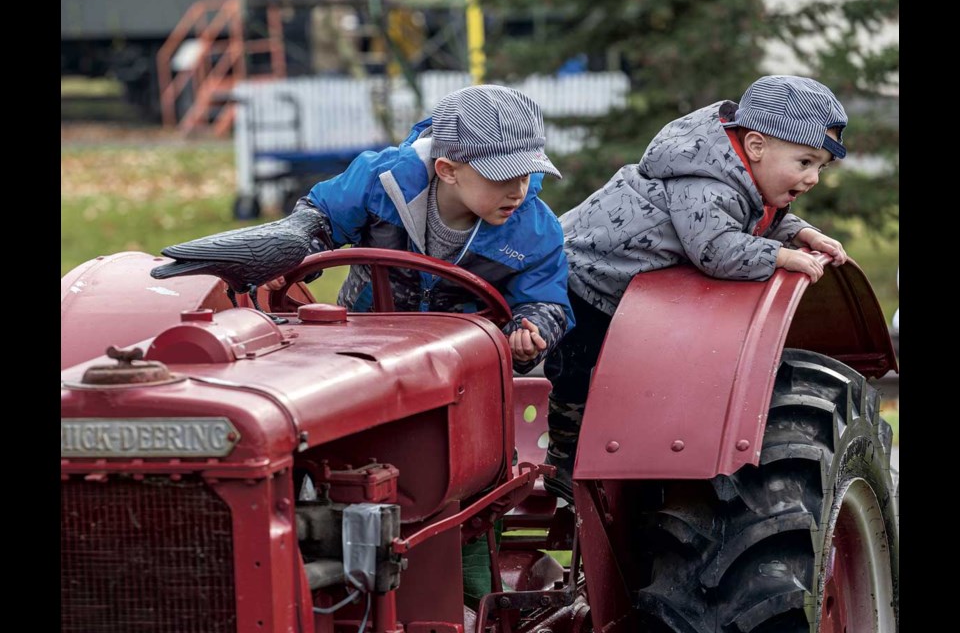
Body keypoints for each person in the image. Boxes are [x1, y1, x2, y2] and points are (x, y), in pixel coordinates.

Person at [543, 75, 850, 503]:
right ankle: (563, 458)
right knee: (576, 372)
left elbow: (755, 215)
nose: (813, 177)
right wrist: (779, 257)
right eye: (805, 162)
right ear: (757, 146)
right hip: (584, 277)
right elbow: (716, 248)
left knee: (626, 377)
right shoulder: (704, 180)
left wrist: (803, 233)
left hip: (620, 289)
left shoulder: (740, 175)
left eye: (820, 167)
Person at [270, 85, 574, 372]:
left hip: (459, 360)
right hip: (356, 344)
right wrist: (292, 252)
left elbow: (546, 298)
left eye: (525, 175)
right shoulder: (380, 181)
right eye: (502, 176)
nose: (518, 191)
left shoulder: (534, 229)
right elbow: (319, 214)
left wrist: (532, 327)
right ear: (448, 170)